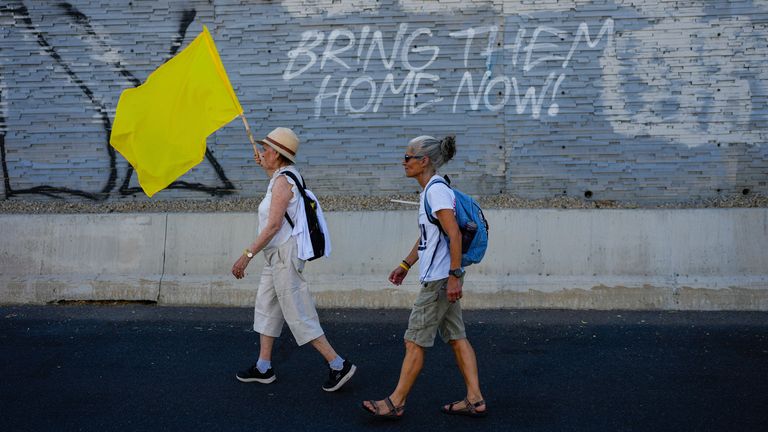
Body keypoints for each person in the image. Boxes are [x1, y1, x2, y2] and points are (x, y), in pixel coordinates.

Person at [361, 135, 487, 419]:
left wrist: (454, 276)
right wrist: (406, 264)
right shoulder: (431, 190)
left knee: (414, 340)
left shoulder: (436, 192)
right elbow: (429, 236)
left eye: (408, 157)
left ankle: (395, 403)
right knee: (456, 337)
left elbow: (453, 233)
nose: (403, 162)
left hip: (440, 280)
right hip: (443, 276)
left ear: (423, 161)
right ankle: (475, 399)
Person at [231, 127, 356, 392]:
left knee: (298, 311)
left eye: (266, 149)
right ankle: (263, 367)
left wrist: (246, 255)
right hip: (275, 255)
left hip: (284, 255)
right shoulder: (282, 176)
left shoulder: (282, 181)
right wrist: (265, 168)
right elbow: (277, 198)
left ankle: (338, 364)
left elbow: (274, 224)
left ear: (277, 154)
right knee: (267, 305)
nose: (263, 152)